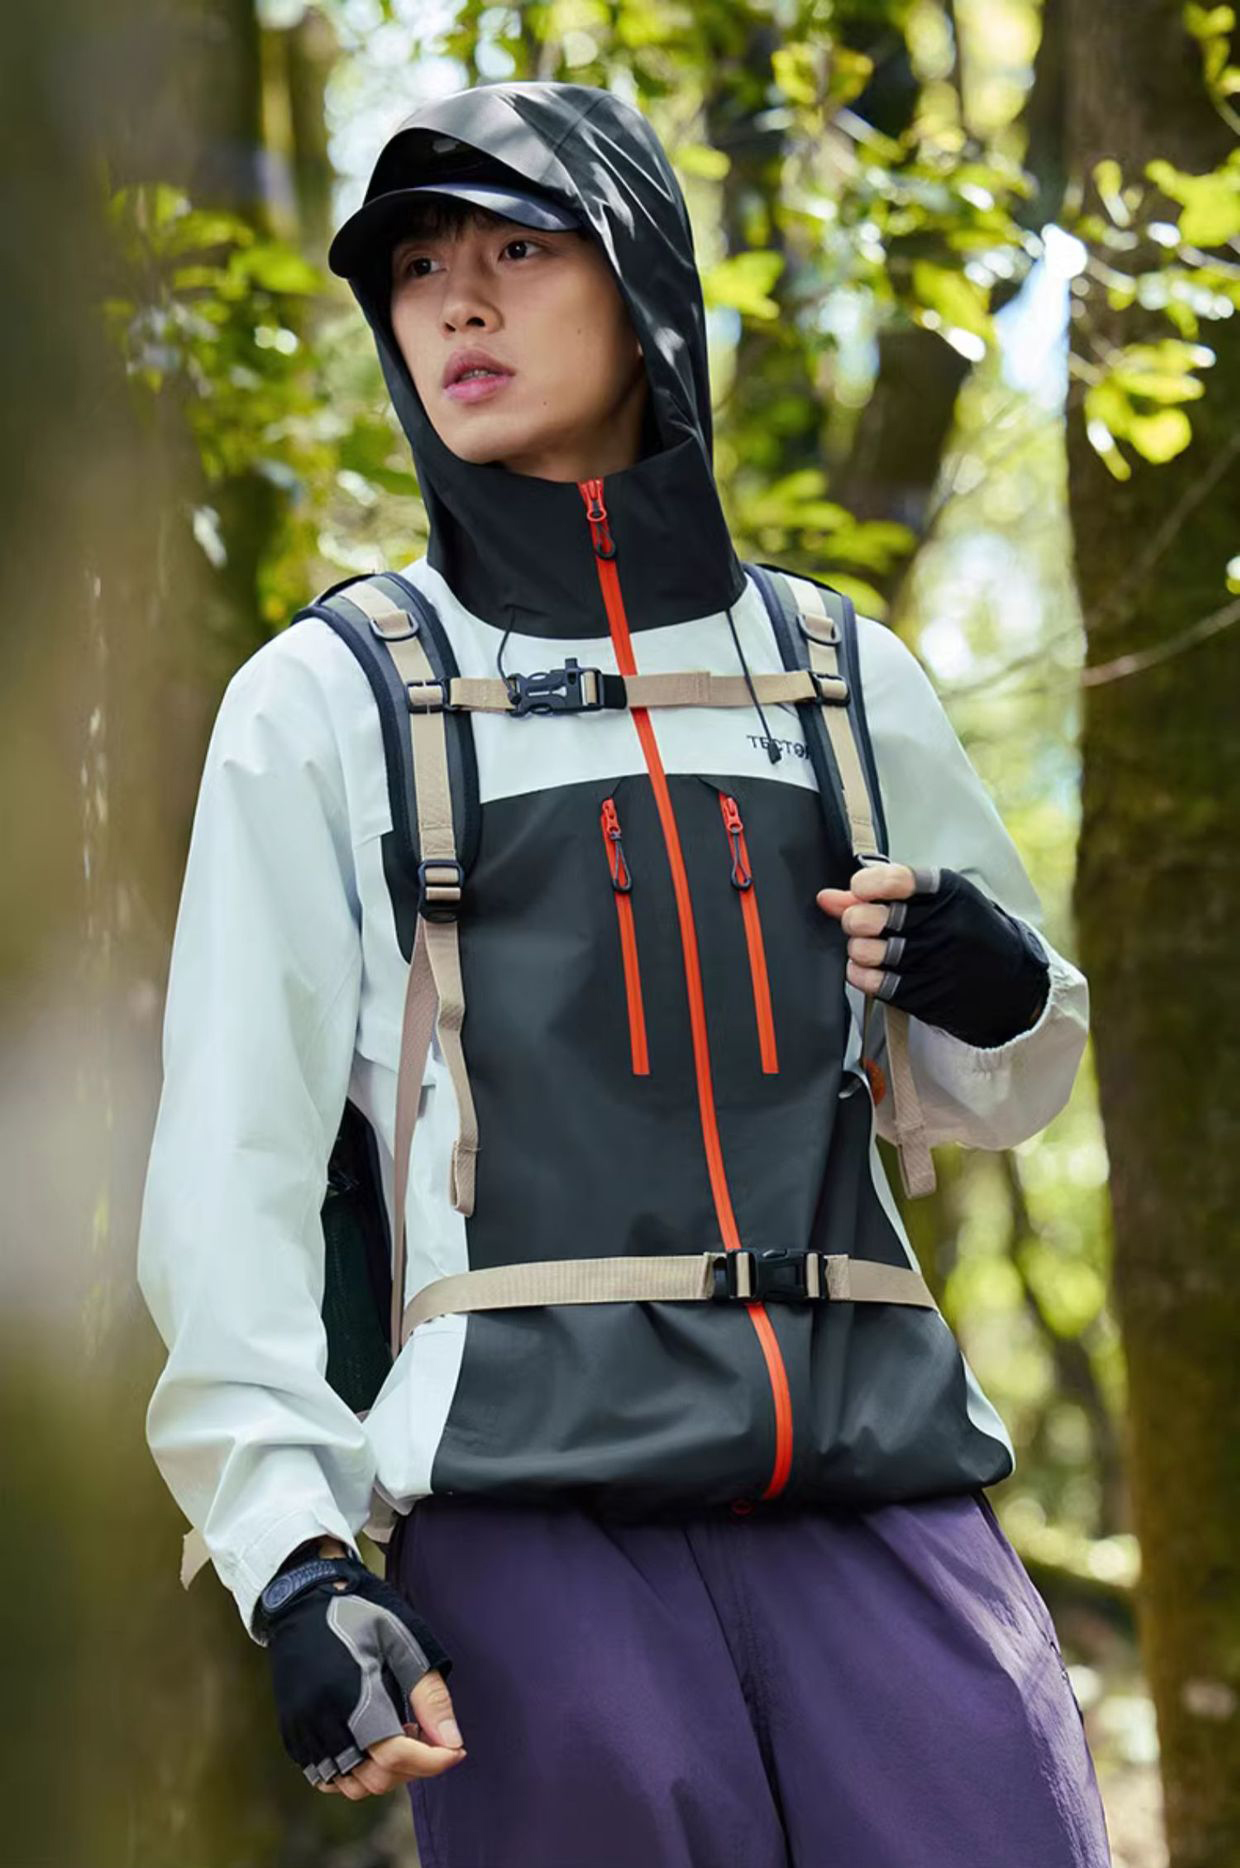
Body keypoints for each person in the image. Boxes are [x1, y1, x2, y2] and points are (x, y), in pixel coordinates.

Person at [137, 77, 1113, 1866]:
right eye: (417, 267)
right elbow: (232, 1168)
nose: (457, 302)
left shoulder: (838, 674)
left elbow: (1001, 1091)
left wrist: (994, 987)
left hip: (885, 1496)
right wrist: (294, 1561)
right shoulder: (328, 701)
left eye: (518, 250)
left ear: (645, 278)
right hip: (532, 1537)